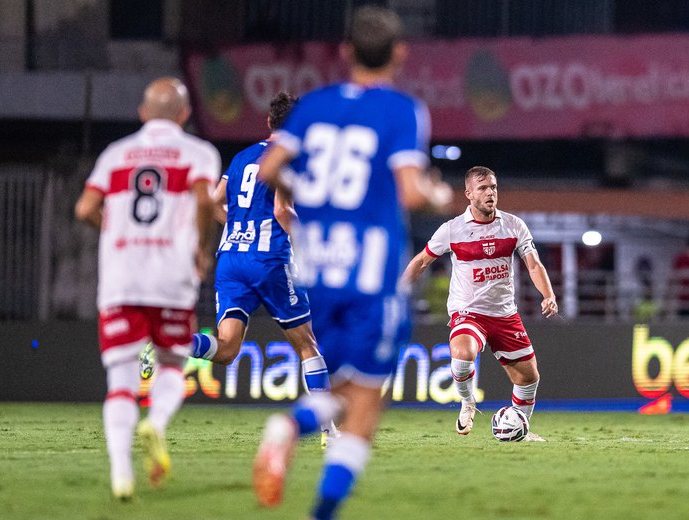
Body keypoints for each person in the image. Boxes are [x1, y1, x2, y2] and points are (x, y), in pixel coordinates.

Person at [252, 6, 452, 519]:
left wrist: (314, 197)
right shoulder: (403, 110)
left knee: (342, 386)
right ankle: (312, 487)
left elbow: (271, 166)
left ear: (344, 52)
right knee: (365, 402)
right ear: (400, 54)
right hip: (371, 270)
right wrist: (436, 192)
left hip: (318, 266)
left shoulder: (313, 105)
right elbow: (409, 192)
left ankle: (289, 428)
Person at [74, 77, 220, 500]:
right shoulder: (198, 152)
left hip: (121, 278)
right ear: (184, 114)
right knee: (172, 363)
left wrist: (111, 228)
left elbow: (85, 208)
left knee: (120, 380)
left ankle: (122, 474)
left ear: (142, 113)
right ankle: (155, 422)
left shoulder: (115, 154)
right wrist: (199, 248)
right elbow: (203, 199)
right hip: (171, 276)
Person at [181, 92, 335, 440]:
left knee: (228, 349)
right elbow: (282, 211)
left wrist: (237, 227)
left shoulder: (240, 158)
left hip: (231, 260)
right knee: (308, 344)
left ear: (268, 122)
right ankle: (329, 430)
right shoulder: (290, 157)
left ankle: (172, 344)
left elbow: (214, 201)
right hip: (269, 260)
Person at [403, 166, 557, 441]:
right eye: (483, 188)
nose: (490, 193)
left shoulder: (513, 225)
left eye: (493, 187)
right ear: (469, 194)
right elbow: (421, 261)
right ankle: (467, 402)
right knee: (462, 355)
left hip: (504, 313)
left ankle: (522, 428)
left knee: (528, 378)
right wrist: (399, 289)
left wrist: (548, 294)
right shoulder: (452, 229)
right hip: (468, 311)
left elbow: (533, 264)